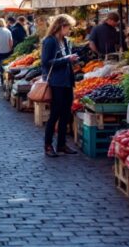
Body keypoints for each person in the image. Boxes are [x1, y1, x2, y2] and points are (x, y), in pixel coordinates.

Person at [41, 14, 79, 158]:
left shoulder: (67, 41)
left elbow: (66, 60)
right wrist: (65, 59)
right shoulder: (49, 41)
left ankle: (61, 144)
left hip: (67, 81)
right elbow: (46, 62)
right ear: (61, 26)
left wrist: (73, 60)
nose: (69, 31)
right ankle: (48, 145)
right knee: (55, 114)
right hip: (56, 82)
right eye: (68, 27)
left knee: (66, 114)